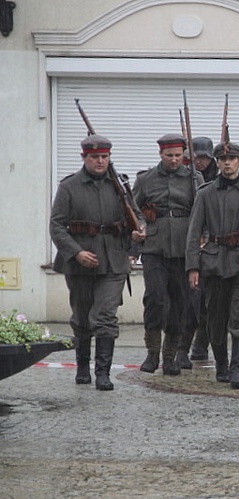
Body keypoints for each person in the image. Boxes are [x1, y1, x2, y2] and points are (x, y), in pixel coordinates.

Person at [50, 134, 146, 390]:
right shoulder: (69, 186)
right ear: (84, 158)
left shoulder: (120, 185)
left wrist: (138, 233)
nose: (100, 161)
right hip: (80, 261)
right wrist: (76, 252)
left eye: (104, 157)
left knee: (105, 316)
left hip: (114, 259)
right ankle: (83, 367)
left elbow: (137, 216)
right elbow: (57, 225)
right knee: (82, 319)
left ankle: (103, 372)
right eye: (95, 157)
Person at [185, 141, 239, 389]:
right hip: (215, 263)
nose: (227, 163)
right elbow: (194, 232)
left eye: (232, 159)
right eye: (222, 159)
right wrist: (193, 267)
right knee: (215, 319)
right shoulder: (205, 193)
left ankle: (237, 368)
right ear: (217, 163)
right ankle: (221, 364)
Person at [132, 134, 203, 375]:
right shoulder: (146, 179)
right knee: (155, 298)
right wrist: (139, 230)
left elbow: (201, 212)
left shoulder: (195, 178)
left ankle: (170, 357)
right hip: (154, 247)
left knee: (180, 303)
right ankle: (152, 354)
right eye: (169, 155)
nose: (174, 160)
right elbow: (133, 210)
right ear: (160, 155)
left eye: (178, 155)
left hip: (184, 248)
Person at [184, 136, 218, 363]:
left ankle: (201, 344)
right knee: (189, 303)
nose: (200, 162)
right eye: (197, 157)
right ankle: (182, 347)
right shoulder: (185, 178)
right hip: (190, 245)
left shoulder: (219, 180)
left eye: (205, 158)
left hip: (214, 248)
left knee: (210, 304)